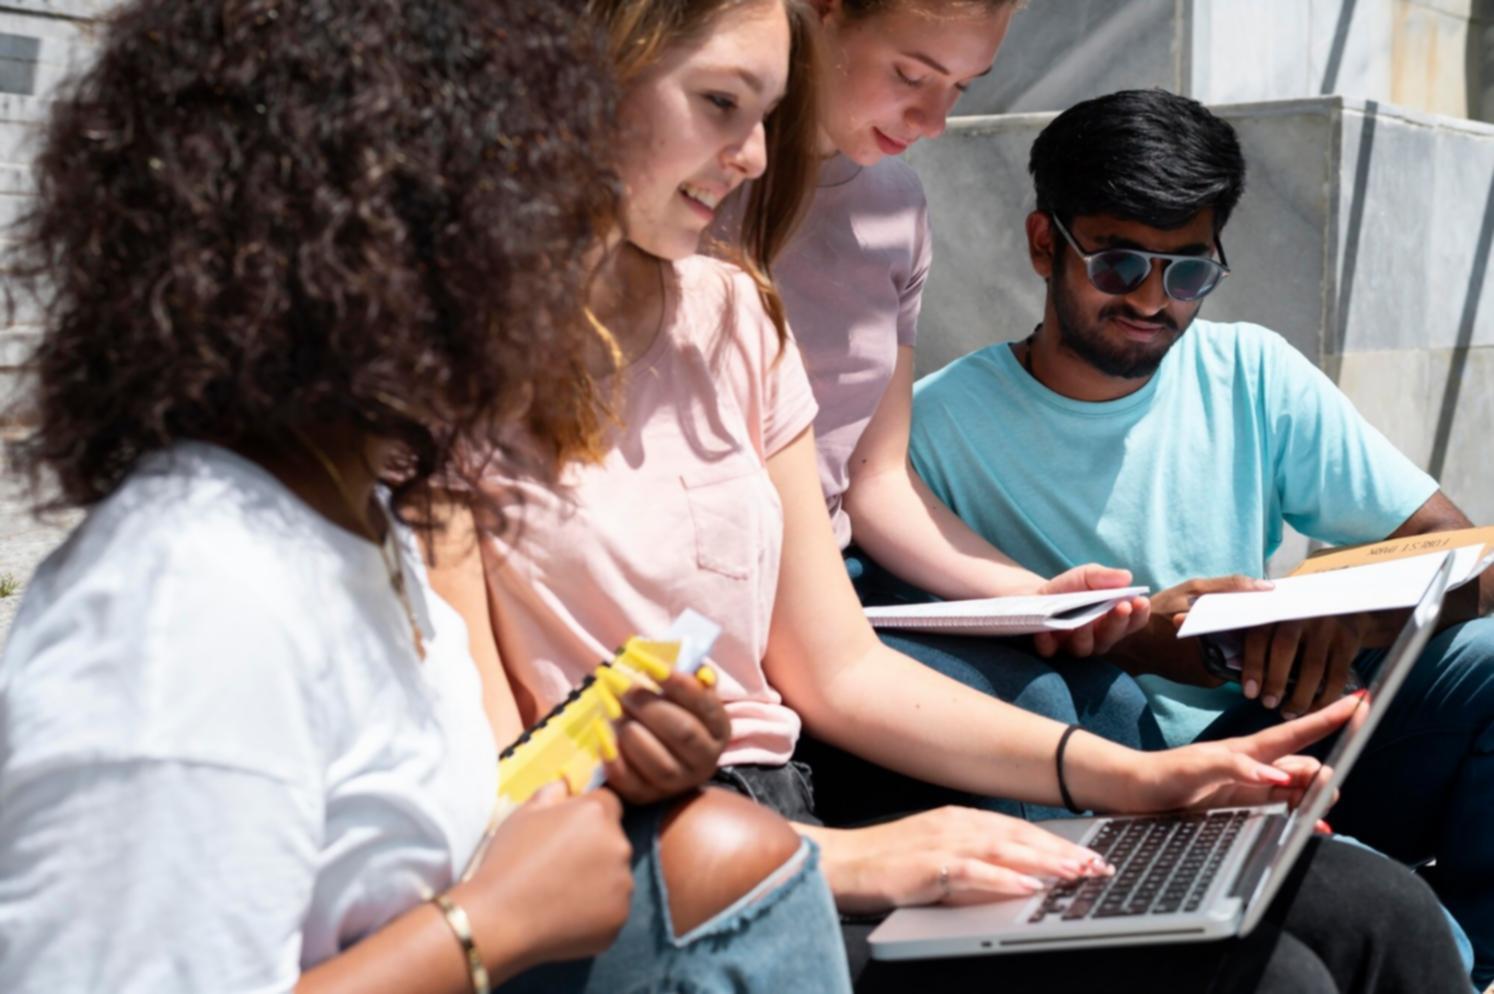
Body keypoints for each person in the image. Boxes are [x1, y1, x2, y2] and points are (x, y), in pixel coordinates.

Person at [430, 1, 1473, 990]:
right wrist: (861, 856)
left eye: (766, 111)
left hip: (775, 805)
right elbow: (505, 803)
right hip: (660, 863)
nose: (753, 155)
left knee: (1379, 912)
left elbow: (838, 665)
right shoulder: (437, 372)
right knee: (1274, 974)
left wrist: (1140, 780)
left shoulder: (740, 313)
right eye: (721, 104)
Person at [0, 2, 850, 992]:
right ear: (371, 248)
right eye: (540, 207)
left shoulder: (347, 523)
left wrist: (603, 766)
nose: (579, 262)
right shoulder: (186, 597)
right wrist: (487, 926)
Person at [907, 86, 1494, 985]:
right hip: (1108, 774)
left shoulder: (1249, 369)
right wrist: (1134, 637)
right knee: (1399, 943)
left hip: (1286, 729)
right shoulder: (934, 429)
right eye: (1118, 265)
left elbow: (1466, 554)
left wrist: (1336, 620)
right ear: (1044, 244)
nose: (1153, 300)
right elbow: (916, 661)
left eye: (1187, 273)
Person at [746, 0, 1165, 829]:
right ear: (822, 14)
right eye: (911, 75)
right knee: (1033, 706)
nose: (934, 121)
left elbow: (875, 479)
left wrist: (1036, 595)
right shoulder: (705, 194)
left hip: (846, 581)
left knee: (1108, 698)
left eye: (962, 89)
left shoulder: (895, 205)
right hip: (749, 596)